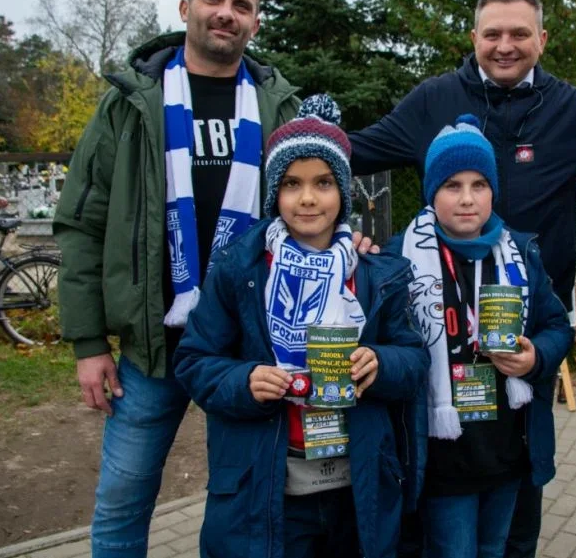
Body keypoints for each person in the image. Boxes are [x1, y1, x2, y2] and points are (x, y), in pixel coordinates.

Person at [348, 0, 576, 556]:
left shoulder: (568, 109)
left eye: (520, 34)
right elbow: (350, 154)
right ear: (474, 38)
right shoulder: (434, 100)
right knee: (441, 493)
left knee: (519, 482)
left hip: (529, 330)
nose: (506, 45)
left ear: (542, 40)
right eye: (493, 34)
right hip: (439, 337)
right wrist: (332, 227)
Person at [54, 0, 301, 557]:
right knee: (121, 505)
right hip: (151, 347)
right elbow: (82, 226)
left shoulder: (279, 108)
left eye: (242, 5)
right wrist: (89, 345)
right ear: (186, 10)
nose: (227, 12)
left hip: (246, 347)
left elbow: (311, 210)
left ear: (256, 23)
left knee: (246, 501)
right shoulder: (128, 106)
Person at [173, 97, 428, 557]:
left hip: (358, 487)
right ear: (275, 193)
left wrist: (381, 364)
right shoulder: (240, 268)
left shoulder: (373, 271)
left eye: (323, 183)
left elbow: (414, 358)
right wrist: (243, 380)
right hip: (268, 491)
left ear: (344, 192)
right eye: (292, 183)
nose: (308, 198)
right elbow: (194, 360)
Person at [387, 116, 572, 558]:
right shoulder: (398, 259)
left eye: (479, 185)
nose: (467, 199)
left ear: (493, 191)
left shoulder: (520, 254)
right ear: (432, 192)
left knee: (495, 549)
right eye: (452, 185)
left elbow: (557, 327)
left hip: (505, 451)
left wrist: (535, 359)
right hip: (441, 456)